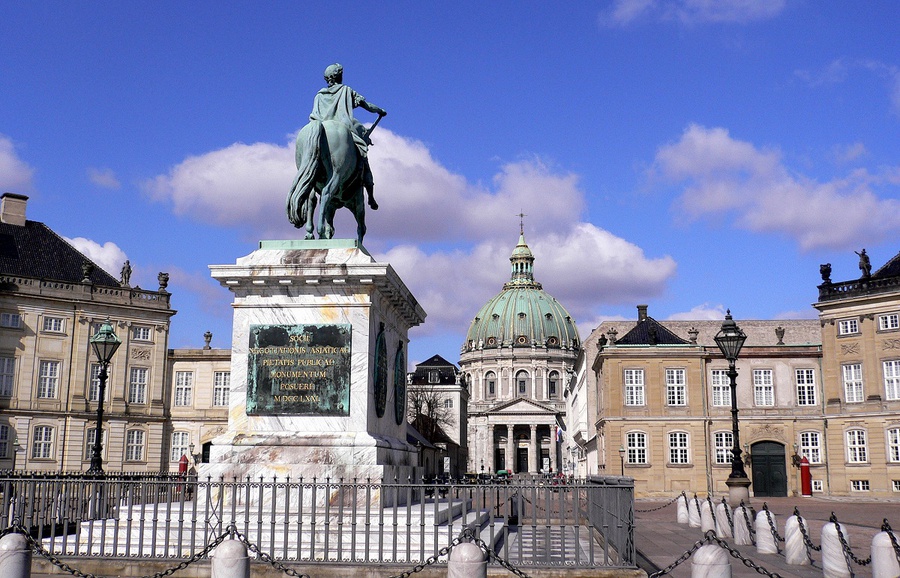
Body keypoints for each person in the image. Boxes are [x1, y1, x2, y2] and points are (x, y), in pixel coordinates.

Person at [310, 63, 386, 210]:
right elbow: (367, 106)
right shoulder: (346, 90)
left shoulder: (319, 95)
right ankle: (370, 196)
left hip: (320, 132)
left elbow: (315, 116)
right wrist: (380, 110)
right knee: (363, 156)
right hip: (344, 129)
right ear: (339, 76)